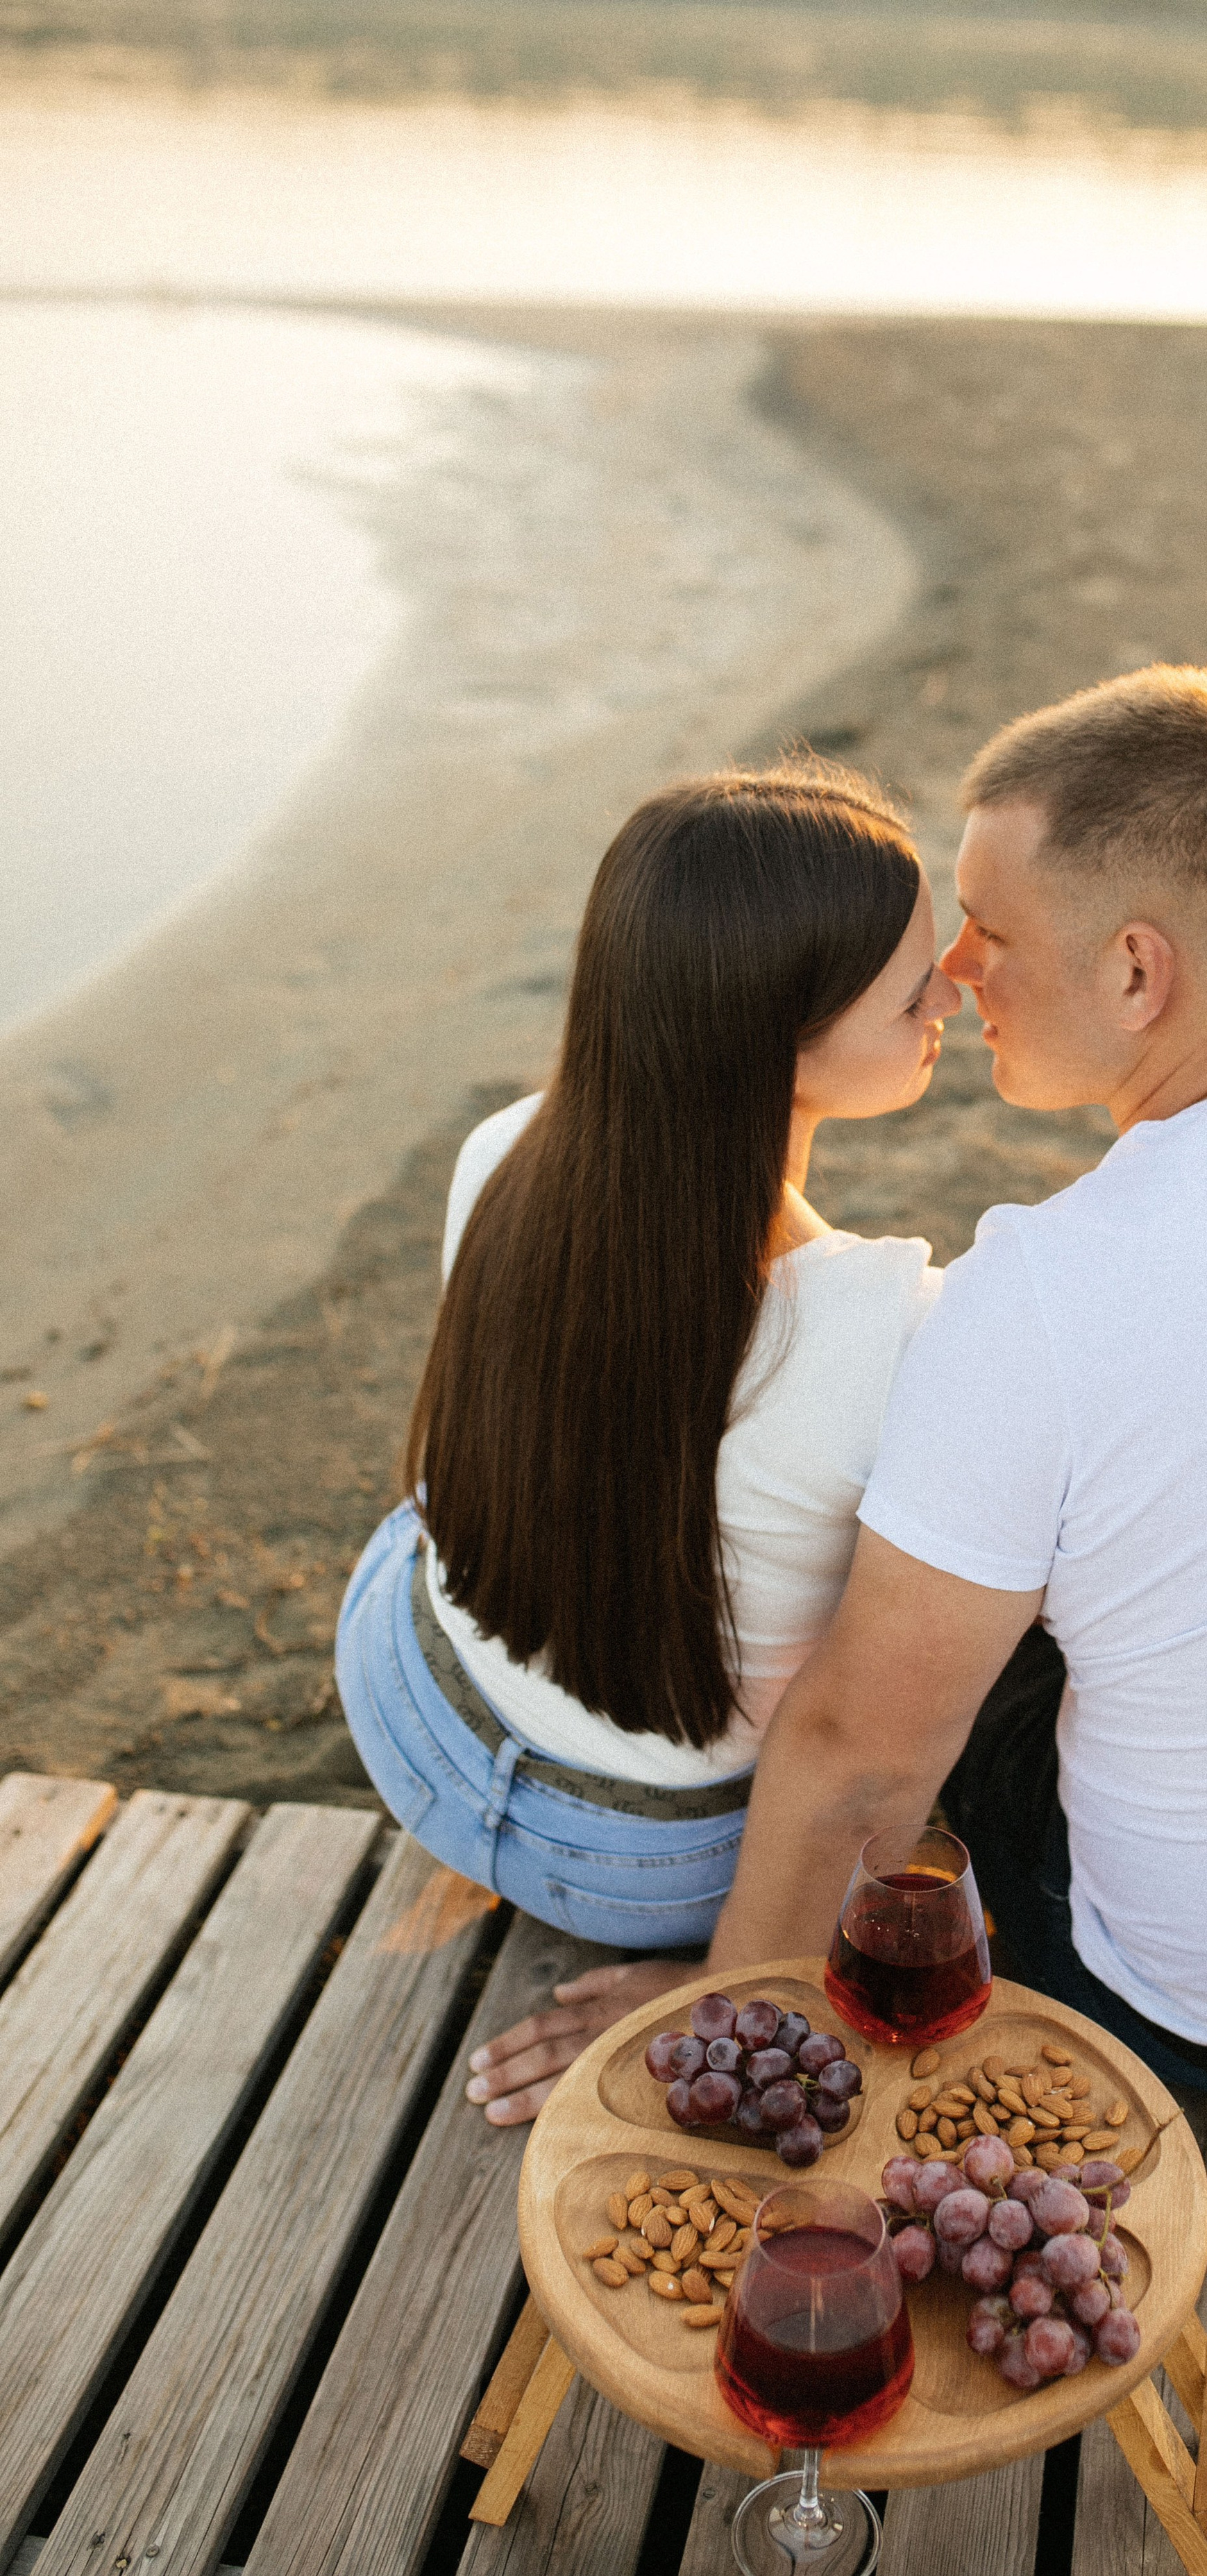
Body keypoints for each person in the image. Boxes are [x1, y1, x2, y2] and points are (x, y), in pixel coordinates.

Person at [469, 665, 1207, 2124]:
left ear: (1132, 971)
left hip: (1202, 2014)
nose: (956, 970)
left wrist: (729, 2009)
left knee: (950, 1652)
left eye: (988, 928)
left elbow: (861, 1758)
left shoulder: (1033, 1295)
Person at [335, 764, 959, 1994]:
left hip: (409, 1704)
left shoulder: (506, 1149)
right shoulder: (885, 1331)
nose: (954, 994)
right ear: (778, 1039)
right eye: (910, 992)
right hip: (642, 1867)